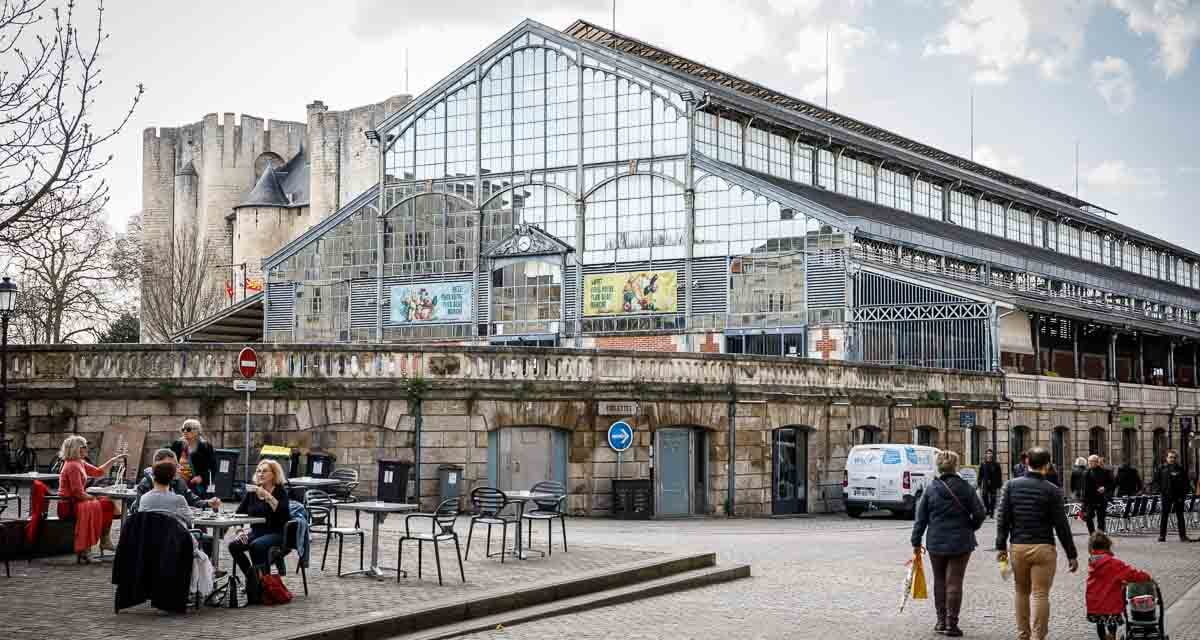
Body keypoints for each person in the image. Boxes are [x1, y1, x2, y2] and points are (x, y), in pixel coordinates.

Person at [996, 446, 1079, 640]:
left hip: (1018, 547)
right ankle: (1038, 637)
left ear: (1027, 462)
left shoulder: (1010, 486)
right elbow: (1061, 525)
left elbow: (1002, 520)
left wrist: (1001, 547)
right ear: (1047, 465)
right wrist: (1071, 554)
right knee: (1040, 594)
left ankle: (1023, 634)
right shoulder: (1052, 490)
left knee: (1021, 592)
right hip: (1043, 547)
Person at [911, 450, 986, 637]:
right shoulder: (966, 488)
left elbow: (920, 519)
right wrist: (970, 527)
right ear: (956, 466)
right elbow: (980, 513)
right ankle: (952, 624)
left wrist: (916, 541)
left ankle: (940, 621)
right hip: (961, 541)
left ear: (939, 467)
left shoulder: (930, 489)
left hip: (936, 540)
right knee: (955, 581)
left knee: (939, 580)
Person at [229, 459, 290, 605]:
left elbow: (283, 514)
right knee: (234, 545)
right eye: (258, 471)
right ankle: (255, 581)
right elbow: (238, 513)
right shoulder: (252, 492)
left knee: (257, 545)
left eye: (265, 471)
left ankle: (263, 587)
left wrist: (267, 496)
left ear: (273, 474)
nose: (260, 474)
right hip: (256, 531)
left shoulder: (280, 490)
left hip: (277, 532)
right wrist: (240, 531)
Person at [56, 435, 124, 563]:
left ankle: (103, 540)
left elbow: (98, 472)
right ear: (77, 449)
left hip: (76, 501)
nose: (87, 449)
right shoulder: (72, 466)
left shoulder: (79, 462)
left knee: (107, 503)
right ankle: (90, 547)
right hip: (69, 504)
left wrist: (113, 460)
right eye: (84, 446)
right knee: (106, 504)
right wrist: (94, 498)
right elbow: (78, 493)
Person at [1085, 532, 1150, 640]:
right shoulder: (1114, 563)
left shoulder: (1092, 563)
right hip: (1110, 603)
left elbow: (1106, 579)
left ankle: (1104, 638)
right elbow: (1131, 574)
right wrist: (1146, 577)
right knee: (1111, 623)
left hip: (1094, 602)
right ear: (1108, 546)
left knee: (1100, 623)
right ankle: (1111, 636)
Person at [131, 448, 221, 513]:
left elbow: (192, 499)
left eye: (176, 465)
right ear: (156, 467)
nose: (175, 470)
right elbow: (139, 512)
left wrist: (208, 503)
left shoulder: (179, 481)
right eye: (169, 467)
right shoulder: (146, 484)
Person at [137, 459, 194, 529]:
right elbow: (190, 520)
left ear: (153, 477)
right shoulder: (179, 499)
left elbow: (140, 521)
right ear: (172, 478)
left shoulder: (144, 499)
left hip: (150, 538)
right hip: (174, 538)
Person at [170, 419, 216, 497]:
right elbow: (170, 461)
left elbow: (213, 467)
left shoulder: (205, 446)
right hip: (179, 483)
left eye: (188, 429)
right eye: (183, 429)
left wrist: (202, 477)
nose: (185, 432)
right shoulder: (177, 444)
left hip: (195, 484)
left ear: (197, 431)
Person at [1154, 450, 1193, 542]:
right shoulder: (1161, 468)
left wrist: (1183, 494)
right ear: (1166, 458)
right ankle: (1162, 536)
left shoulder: (1180, 469)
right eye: (1170, 457)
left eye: (1174, 457)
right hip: (1166, 495)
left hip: (1178, 496)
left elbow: (1186, 482)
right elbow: (1156, 481)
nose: (1172, 459)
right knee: (1164, 516)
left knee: (1180, 516)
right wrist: (1161, 490)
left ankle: (1183, 536)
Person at [1082, 455, 1113, 534]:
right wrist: (1083, 502)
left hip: (1101, 498)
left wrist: (1104, 488)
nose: (1089, 463)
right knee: (1088, 517)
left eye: (1090, 462)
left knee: (1101, 519)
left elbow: (1111, 484)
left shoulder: (1105, 472)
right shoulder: (1086, 473)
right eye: (1088, 462)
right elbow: (1084, 488)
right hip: (1089, 499)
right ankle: (1092, 534)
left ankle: (1100, 535)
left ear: (1096, 462)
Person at [977, 449, 1003, 518]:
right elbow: (980, 475)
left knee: (993, 498)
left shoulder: (996, 464)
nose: (989, 455)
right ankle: (987, 509)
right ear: (985, 455)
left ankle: (992, 511)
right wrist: (979, 483)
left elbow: (999, 475)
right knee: (984, 496)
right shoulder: (983, 464)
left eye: (990, 453)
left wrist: (999, 485)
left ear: (992, 455)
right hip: (985, 484)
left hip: (993, 484)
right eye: (987, 453)